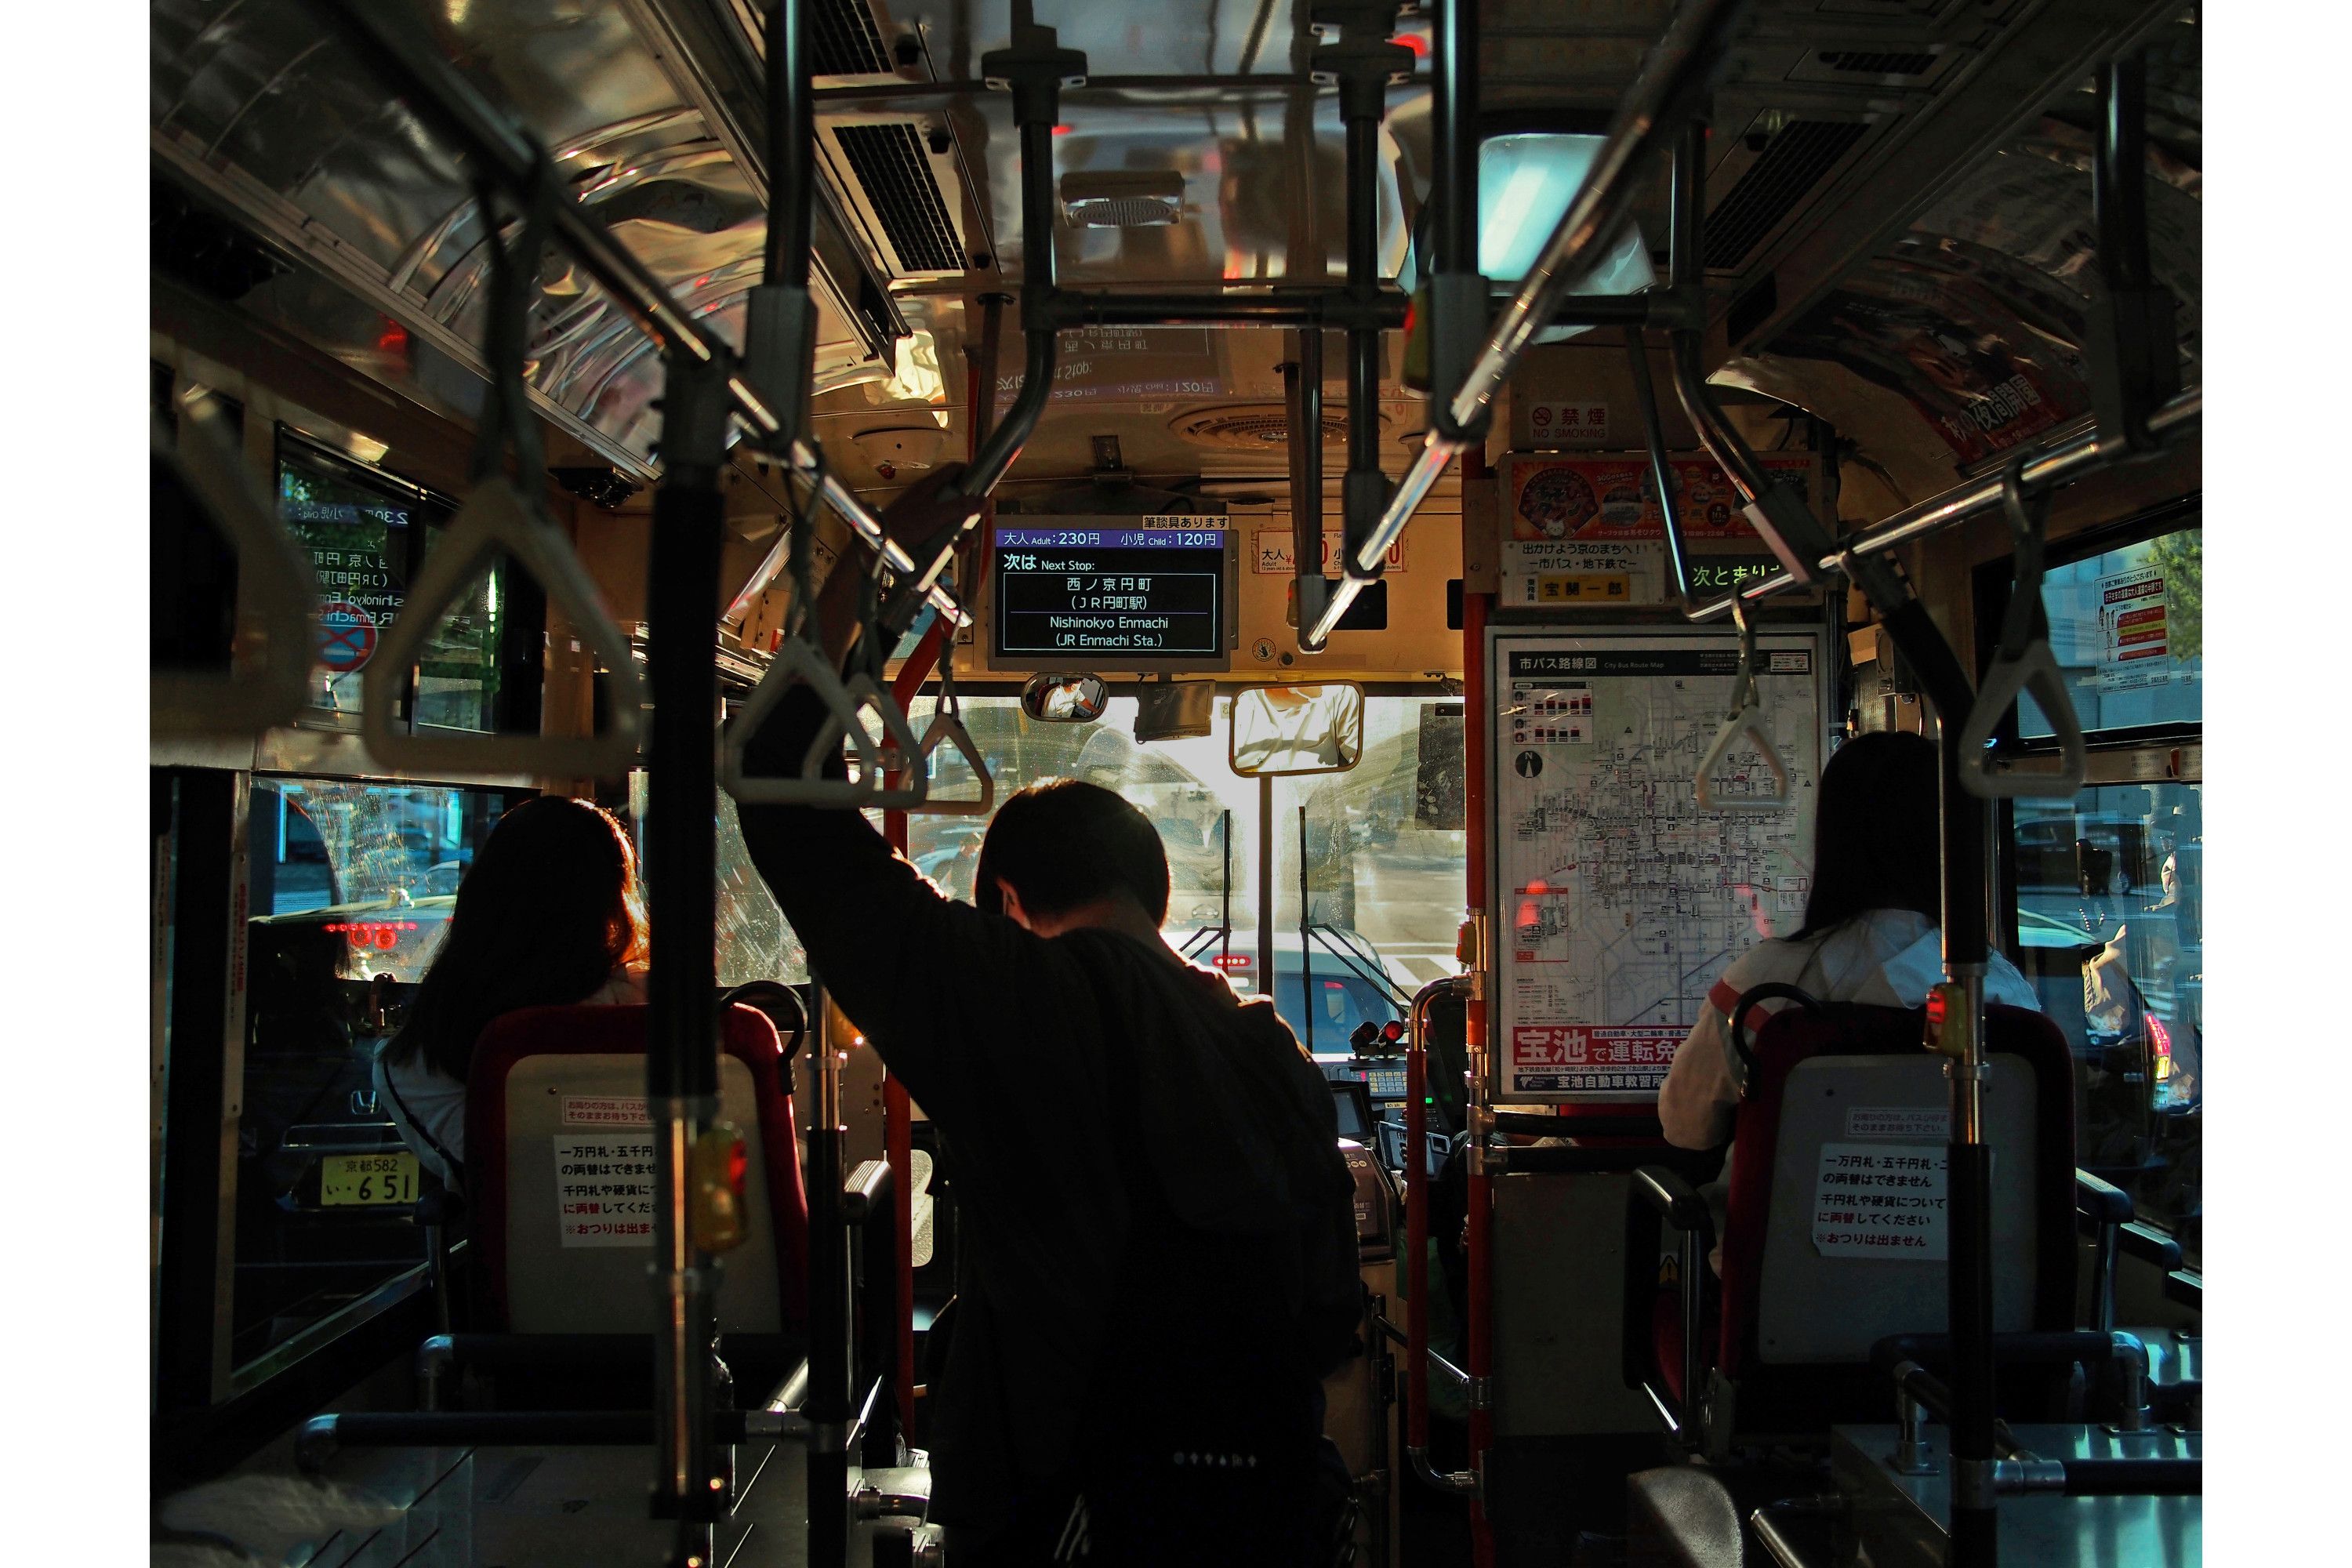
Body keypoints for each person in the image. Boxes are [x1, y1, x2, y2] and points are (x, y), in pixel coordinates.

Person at [735, 467, 1359, 1566]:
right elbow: (1327, 1324)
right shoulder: (1267, 1046)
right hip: (1261, 1504)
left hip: (1062, 1501)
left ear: (1012, 905)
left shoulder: (1013, 995)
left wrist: (889, 563)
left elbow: (774, 778)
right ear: (1154, 890)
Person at [1658, 731, 2040, 1266]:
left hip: (1780, 1306)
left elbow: (1686, 1128)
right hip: (1972, 1305)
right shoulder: (1998, 993)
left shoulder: (1760, 988)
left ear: (1831, 837)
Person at [374, 797, 648, 1192]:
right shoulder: (655, 1009)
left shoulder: (410, 1062)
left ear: (480, 896)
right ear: (613, 900)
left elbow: (492, 1177)